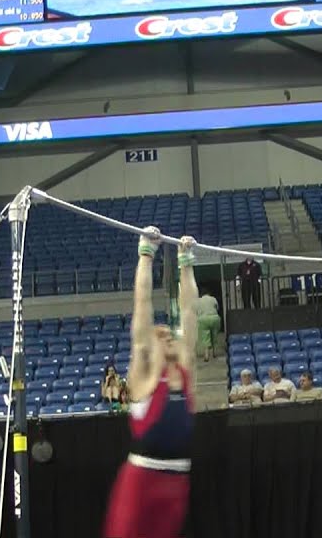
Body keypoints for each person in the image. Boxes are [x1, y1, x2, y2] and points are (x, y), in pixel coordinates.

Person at [103, 229, 200, 538]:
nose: (167, 335)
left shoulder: (184, 370)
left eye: (170, 333)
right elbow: (142, 305)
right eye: (161, 334)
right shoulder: (144, 375)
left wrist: (186, 263)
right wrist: (146, 254)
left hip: (177, 482)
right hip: (141, 480)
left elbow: (189, 310)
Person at [195, 291, 222, 362]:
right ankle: (214, 353)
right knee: (214, 335)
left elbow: (196, 311)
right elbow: (217, 308)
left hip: (203, 319)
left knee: (205, 337)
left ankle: (206, 355)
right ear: (209, 293)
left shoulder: (198, 300)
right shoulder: (213, 299)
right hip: (214, 318)